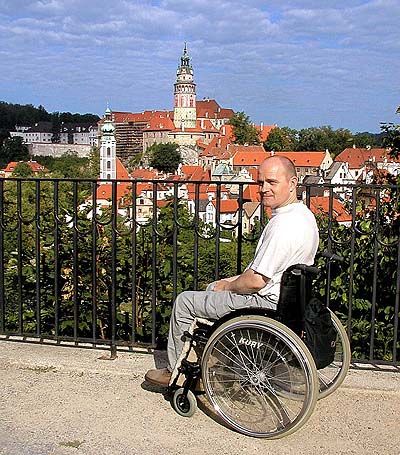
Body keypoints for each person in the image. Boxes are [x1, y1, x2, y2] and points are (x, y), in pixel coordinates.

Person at [145, 155, 319, 386]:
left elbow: (256, 281)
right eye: (261, 183)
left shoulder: (282, 227)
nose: (263, 189)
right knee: (211, 290)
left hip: (264, 303)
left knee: (185, 302)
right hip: (287, 300)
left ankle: (178, 372)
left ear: (293, 183)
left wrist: (227, 285)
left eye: (272, 182)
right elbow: (268, 271)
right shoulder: (304, 216)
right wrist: (228, 281)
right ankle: (212, 363)